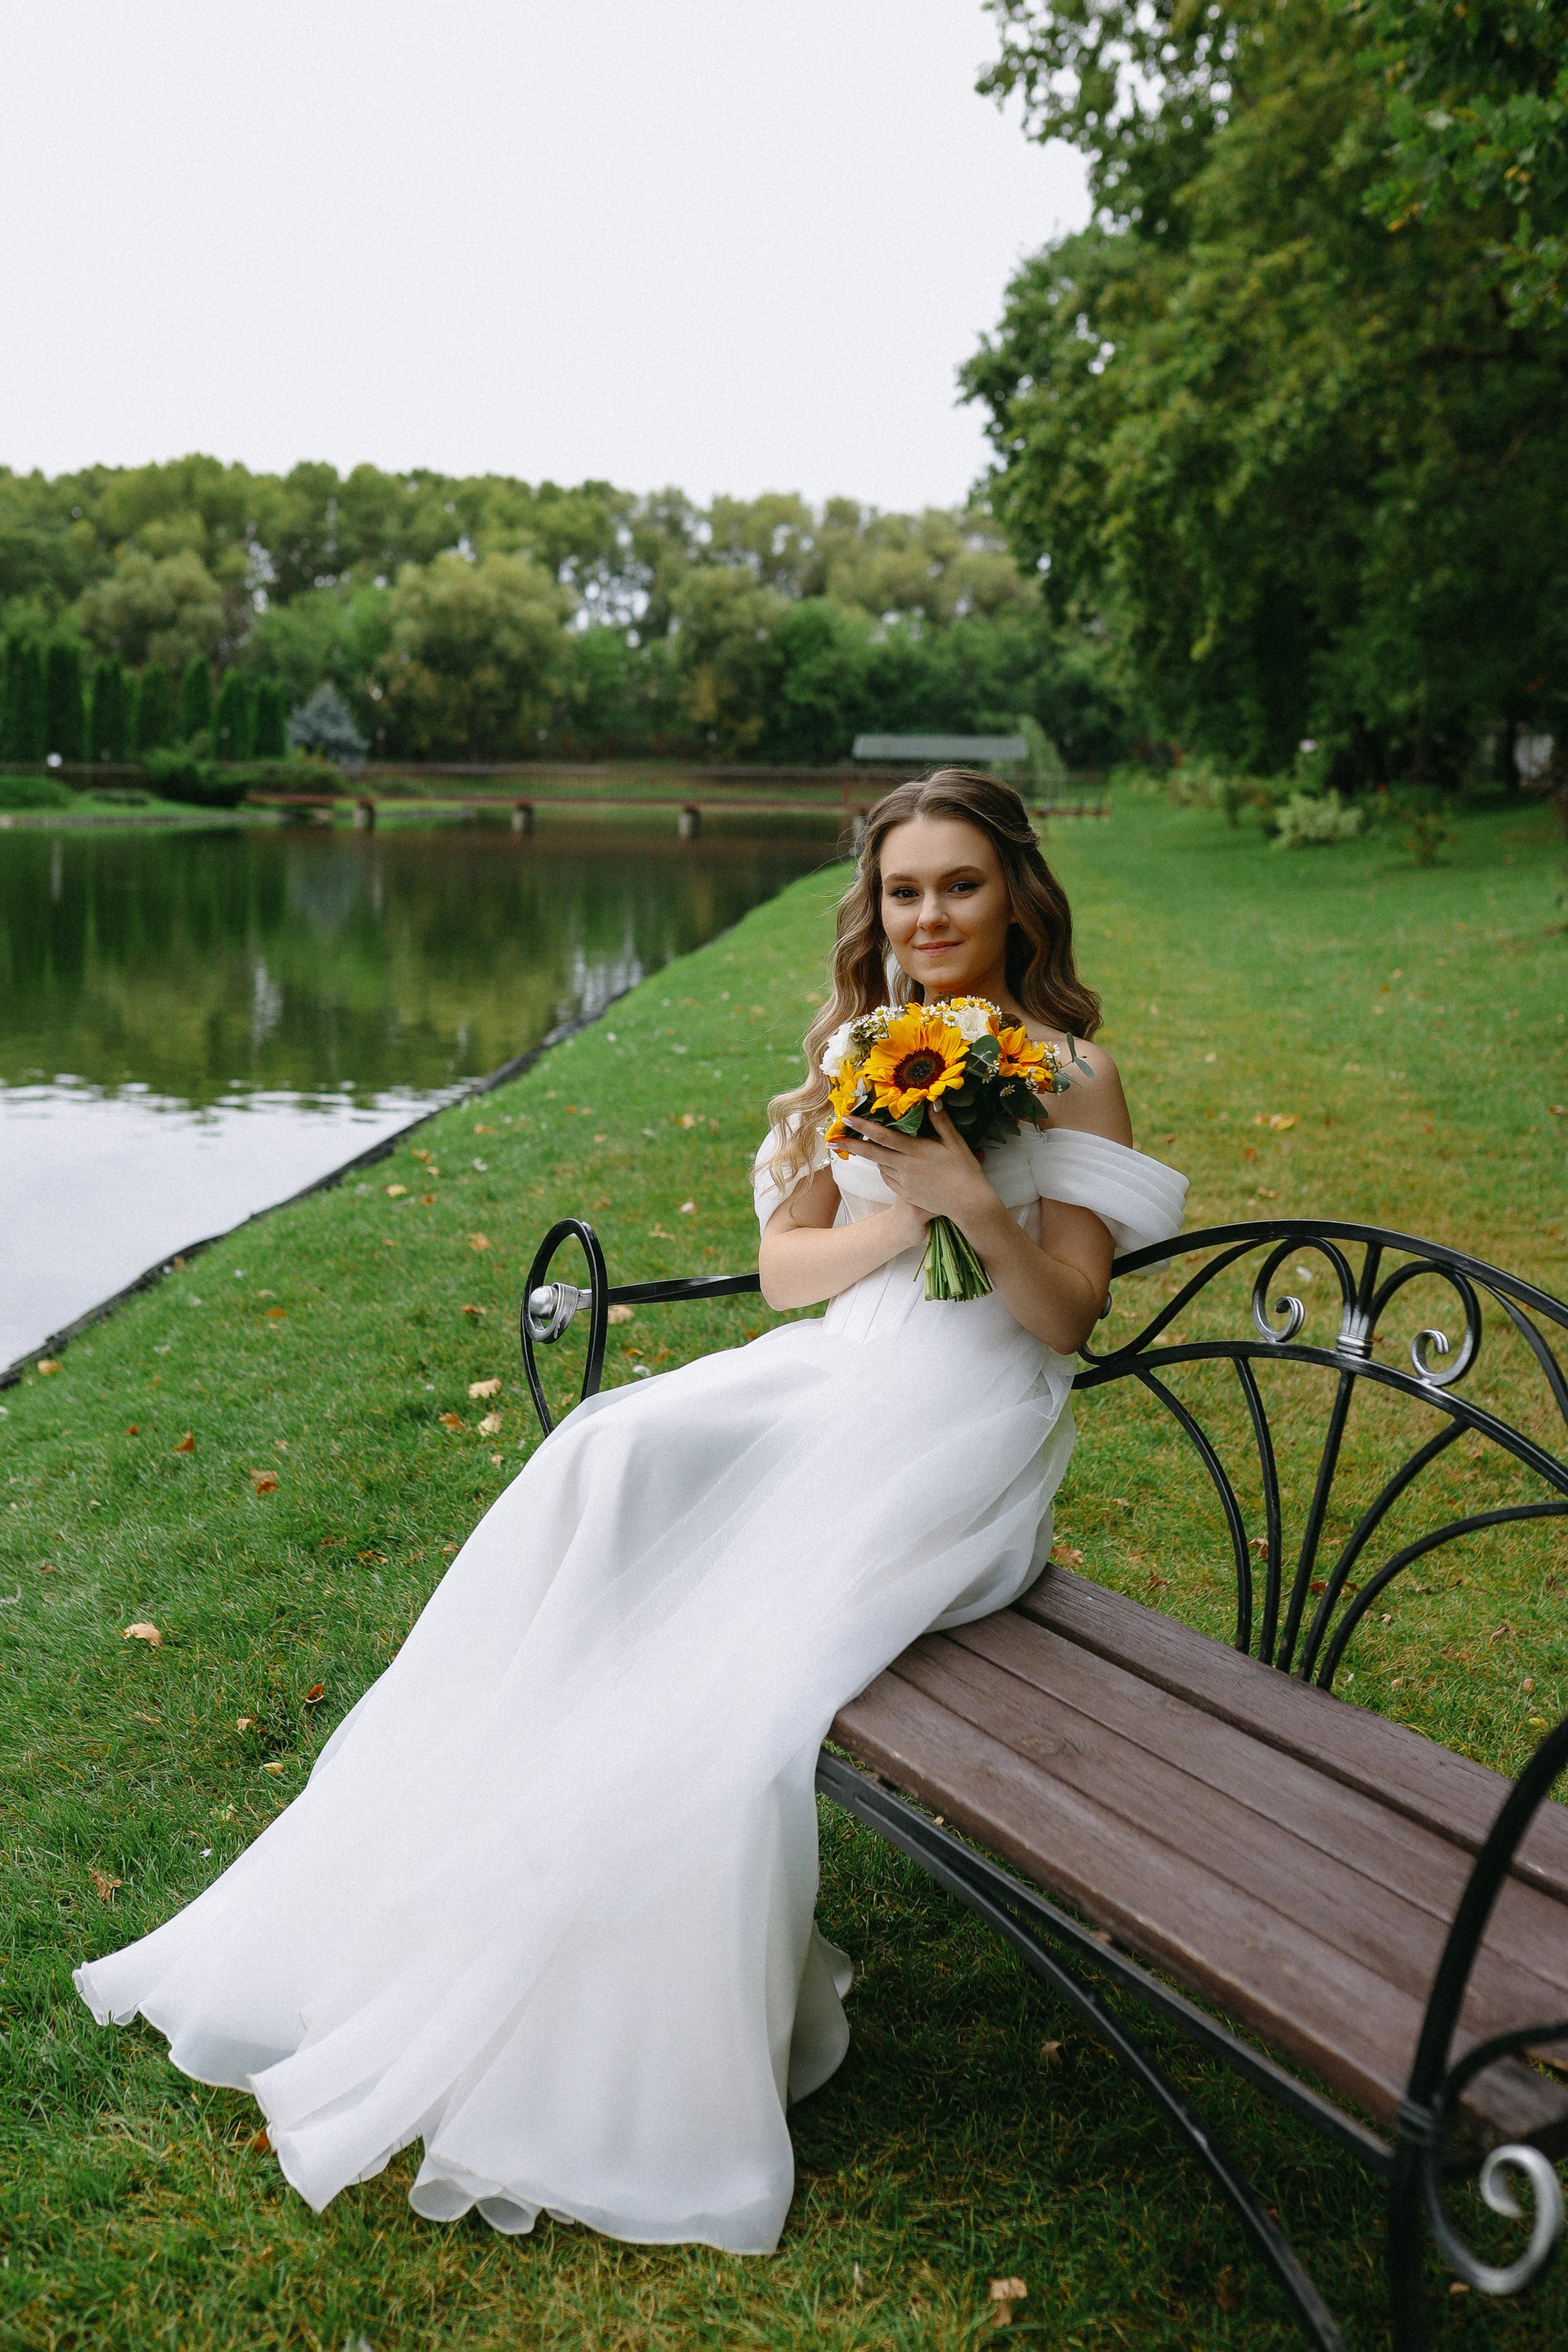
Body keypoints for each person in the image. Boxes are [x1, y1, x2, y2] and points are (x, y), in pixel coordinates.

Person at [75, 770, 1186, 2255]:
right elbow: (788, 1272)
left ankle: (620, 1986)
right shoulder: (855, 1050)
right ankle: (438, 1879)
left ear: (1016, 895)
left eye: (961, 886)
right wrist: (895, 1215)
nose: (930, 916)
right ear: (877, 904)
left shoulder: (1070, 1068)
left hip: (962, 1413)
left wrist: (976, 1204)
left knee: (730, 1677)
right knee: (602, 1460)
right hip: (835, 1363)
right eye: (906, 890)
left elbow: (1063, 1320)